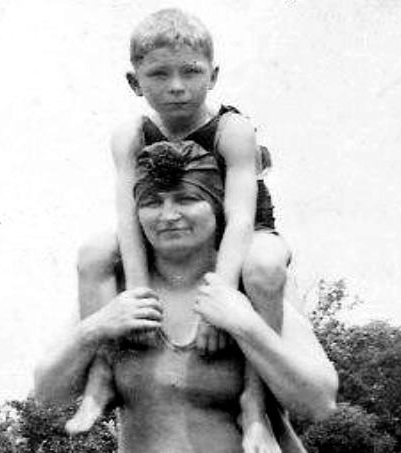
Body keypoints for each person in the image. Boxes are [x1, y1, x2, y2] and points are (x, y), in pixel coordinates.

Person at [65, 8, 295, 452]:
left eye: (191, 72)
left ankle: (255, 406)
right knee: (94, 251)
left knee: (264, 268)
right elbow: (128, 217)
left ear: (213, 75)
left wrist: (218, 301)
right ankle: (102, 375)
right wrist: (139, 299)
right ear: (134, 82)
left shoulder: (232, 129)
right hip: (173, 232)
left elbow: (241, 218)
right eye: (159, 74)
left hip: (245, 231)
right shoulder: (130, 135)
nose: (176, 86)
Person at [34, 141, 338, 453]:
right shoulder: (119, 293)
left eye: (186, 199)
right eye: (152, 202)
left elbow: (320, 404)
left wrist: (247, 326)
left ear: (217, 206)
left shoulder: (251, 285)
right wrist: (95, 328)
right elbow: (47, 394)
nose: (168, 215)